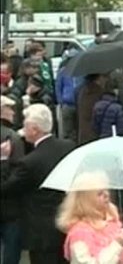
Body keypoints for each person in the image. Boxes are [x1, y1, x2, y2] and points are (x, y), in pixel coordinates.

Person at [1, 104, 75, 264]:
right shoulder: (68, 147)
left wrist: (4, 160)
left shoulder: (30, 163)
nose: (22, 129)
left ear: (35, 130)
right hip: (67, 223)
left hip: (41, 234)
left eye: (25, 125)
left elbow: (6, 189)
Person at [56, 172, 123, 264]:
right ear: (86, 201)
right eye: (99, 194)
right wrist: (117, 245)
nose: (106, 195)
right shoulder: (80, 233)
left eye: (106, 190)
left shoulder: (111, 222)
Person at [0, 96, 25, 264]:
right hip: (11, 209)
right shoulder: (13, 138)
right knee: (11, 256)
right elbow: (18, 176)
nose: (13, 112)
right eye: (10, 108)